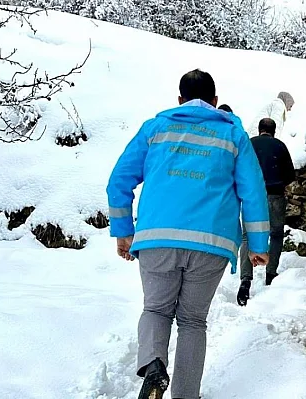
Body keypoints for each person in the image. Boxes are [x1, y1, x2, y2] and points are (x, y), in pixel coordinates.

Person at [106, 69, 271, 399]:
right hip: (211, 243)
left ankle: (153, 365)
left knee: (156, 310)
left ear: (180, 100)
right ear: (214, 101)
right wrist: (258, 244)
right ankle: (185, 395)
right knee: (193, 322)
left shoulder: (155, 128)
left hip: (157, 238)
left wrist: (124, 232)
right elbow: (253, 191)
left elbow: (118, 181)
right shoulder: (233, 135)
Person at [237, 117, 296, 306]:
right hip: (275, 196)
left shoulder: (249, 145)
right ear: (273, 130)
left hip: (252, 198)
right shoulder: (279, 146)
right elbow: (290, 175)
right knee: (276, 234)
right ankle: (271, 274)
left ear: (260, 129)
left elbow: (238, 170)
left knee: (247, 237)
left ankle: (245, 280)